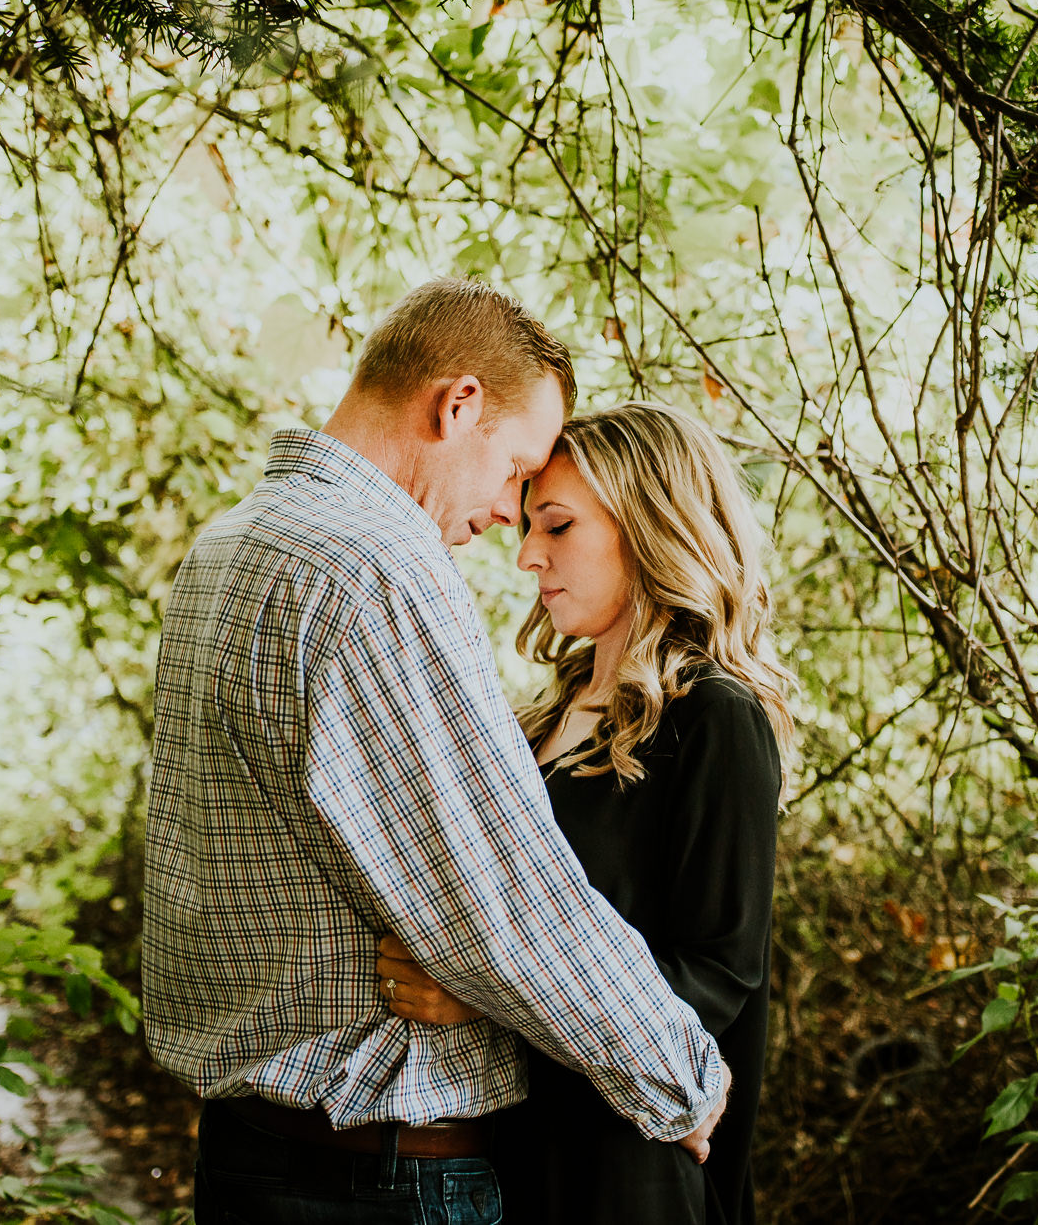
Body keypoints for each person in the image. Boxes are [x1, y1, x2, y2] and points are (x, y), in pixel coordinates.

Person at [140, 279, 728, 1225]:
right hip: (377, 1178)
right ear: (456, 407)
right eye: (514, 468)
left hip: (248, 1155)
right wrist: (681, 1075)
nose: (508, 513)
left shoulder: (227, 546)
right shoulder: (379, 565)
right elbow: (499, 899)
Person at [377, 401, 794, 1225]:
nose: (528, 554)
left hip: (625, 1171)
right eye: (530, 525)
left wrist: (485, 996)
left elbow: (716, 977)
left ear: (647, 525)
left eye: (559, 526)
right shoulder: (535, 720)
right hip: (499, 1152)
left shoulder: (714, 718)